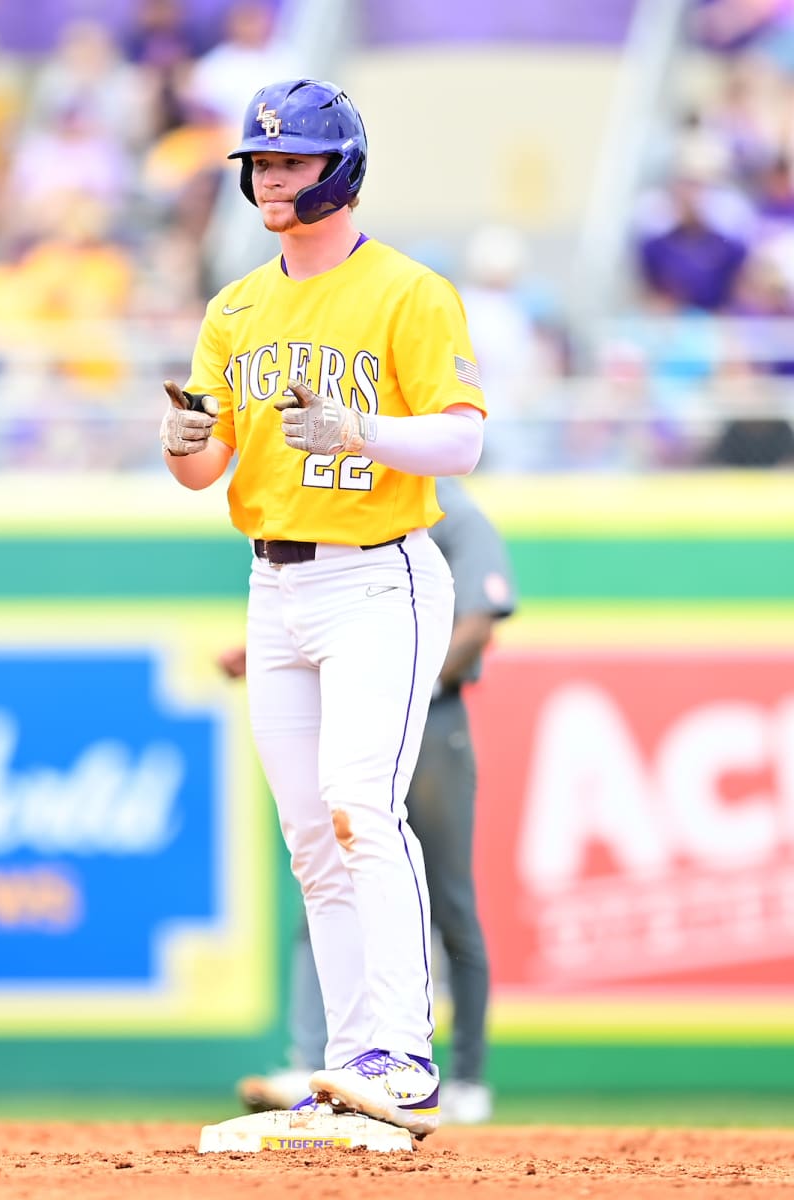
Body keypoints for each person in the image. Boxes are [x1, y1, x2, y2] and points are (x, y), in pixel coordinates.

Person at [160, 78, 487, 1140]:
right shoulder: (236, 309)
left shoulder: (408, 291)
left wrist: (362, 431)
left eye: (292, 160)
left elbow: (461, 439)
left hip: (376, 572)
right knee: (312, 834)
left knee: (358, 804)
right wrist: (186, 447)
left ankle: (407, 1057)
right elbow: (208, 467)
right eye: (260, 161)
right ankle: (350, 1061)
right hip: (273, 581)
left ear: (338, 167)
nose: (271, 177)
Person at [229, 476, 518, 1126]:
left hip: (433, 715)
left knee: (446, 898)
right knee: (328, 859)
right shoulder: (323, 487)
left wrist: (392, 677)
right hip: (350, 704)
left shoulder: (447, 505)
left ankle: (460, 1073)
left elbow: (480, 620)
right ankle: (331, 1059)